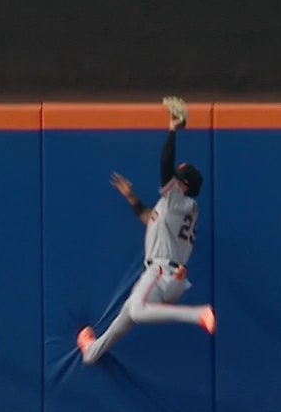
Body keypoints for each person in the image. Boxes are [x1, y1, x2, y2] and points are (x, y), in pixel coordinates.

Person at [77, 107, 216, 365]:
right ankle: (91, 352)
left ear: (184, 186)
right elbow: (149, 218)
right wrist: (132, 198)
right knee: (127, 314)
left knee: (137, 311)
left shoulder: (179, 202)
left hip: (162, 272)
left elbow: (165, 164)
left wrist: (173, 130)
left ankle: (199, 314)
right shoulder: (174, 208)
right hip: (169, 276)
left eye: (178, 179)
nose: (173, 181)